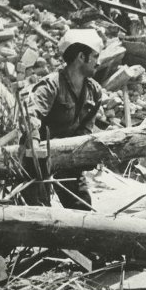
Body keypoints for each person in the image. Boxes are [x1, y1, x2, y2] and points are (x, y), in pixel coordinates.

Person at [22, 28, 104, 210]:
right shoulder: (51, 85)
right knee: (39, 212)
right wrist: (35, 143)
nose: (98, 63)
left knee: (82, 208)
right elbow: (30, 115)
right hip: (38, 159)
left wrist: (84, 154)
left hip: (68, 155)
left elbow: (85, 129)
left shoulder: (94, 92)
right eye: (95, 56)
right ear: (82, 57)